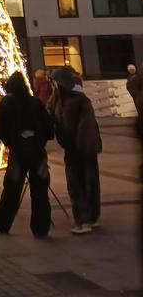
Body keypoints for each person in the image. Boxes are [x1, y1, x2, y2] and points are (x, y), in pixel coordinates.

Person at [0, 72, 54, 237]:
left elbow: (2, 129)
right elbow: (49, 129)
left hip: (18, 155)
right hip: (38, 154)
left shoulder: (7, 102)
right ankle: (41, 228)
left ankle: (1, 224)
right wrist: (39, 140)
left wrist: (12, 143)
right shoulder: (35, 102)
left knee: (11, 191)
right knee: (40, 192)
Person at [49, 67, 101, 234]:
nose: (53, 85)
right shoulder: (57, 98)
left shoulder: (80, 100)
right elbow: (47, 114)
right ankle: (87, 217)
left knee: (84, 182)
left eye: (55, 81)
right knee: (77, 183)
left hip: (83, 148)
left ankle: (85, 220)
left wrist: (83, 148)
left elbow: (86, 127)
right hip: (71, 148)